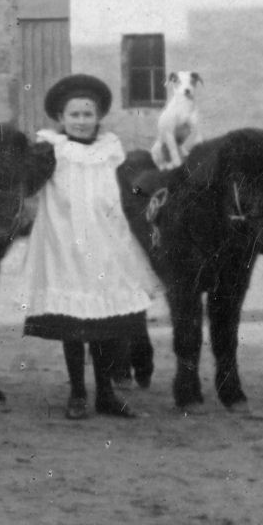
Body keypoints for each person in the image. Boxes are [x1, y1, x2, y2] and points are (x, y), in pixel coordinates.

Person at [18, 74, 160, 420]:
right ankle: (78, 392)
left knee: (106, 322)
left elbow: (127, 193)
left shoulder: (111, 151)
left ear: (98, 118)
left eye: (88, 115)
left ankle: (106, 394)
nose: (81, 122)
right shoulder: (51, 150)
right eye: (74, 116)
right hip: (65, 247)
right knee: (75, 324)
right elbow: (29, 183)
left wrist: (151, 198)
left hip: (107, 245)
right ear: (61, 119)